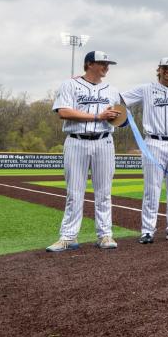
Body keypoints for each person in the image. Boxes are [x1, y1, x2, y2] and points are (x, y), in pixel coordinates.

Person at [47, 51, 121, 252]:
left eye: (108, 63)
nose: (106, 67)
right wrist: (98, 116)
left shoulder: (112, 90)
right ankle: (68, 237)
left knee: (104, 192)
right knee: (74, 192)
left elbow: (120, 117)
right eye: (102, 63)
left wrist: (117, 118)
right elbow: (63, 111)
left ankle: (105, 235)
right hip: (76, 141)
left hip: (104, 142)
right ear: (89, 64)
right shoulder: (70, 84)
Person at [122, 57, 168, 244]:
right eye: (165, 68)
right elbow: (119, 98)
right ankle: (147, 230)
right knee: (152, 189)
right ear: (159, 70)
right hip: (154, 142)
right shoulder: (146, 89)